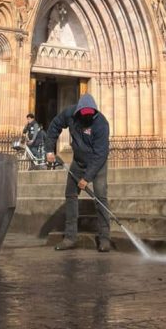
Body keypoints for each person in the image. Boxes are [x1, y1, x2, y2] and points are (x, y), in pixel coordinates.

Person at [45, 93, 111, 252]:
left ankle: (104, 238)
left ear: (94, 112)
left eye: (90, 115)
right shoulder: (70, 114)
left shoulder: (101, 124)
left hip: (97, 163)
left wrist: (87, 178)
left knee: (100, 197)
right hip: (79, 162)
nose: (87, 118)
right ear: (79, 111)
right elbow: (55, 126)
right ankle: (70, 237)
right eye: (84, 114)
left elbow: (101, 154)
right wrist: (49, 150)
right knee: (71, 195)